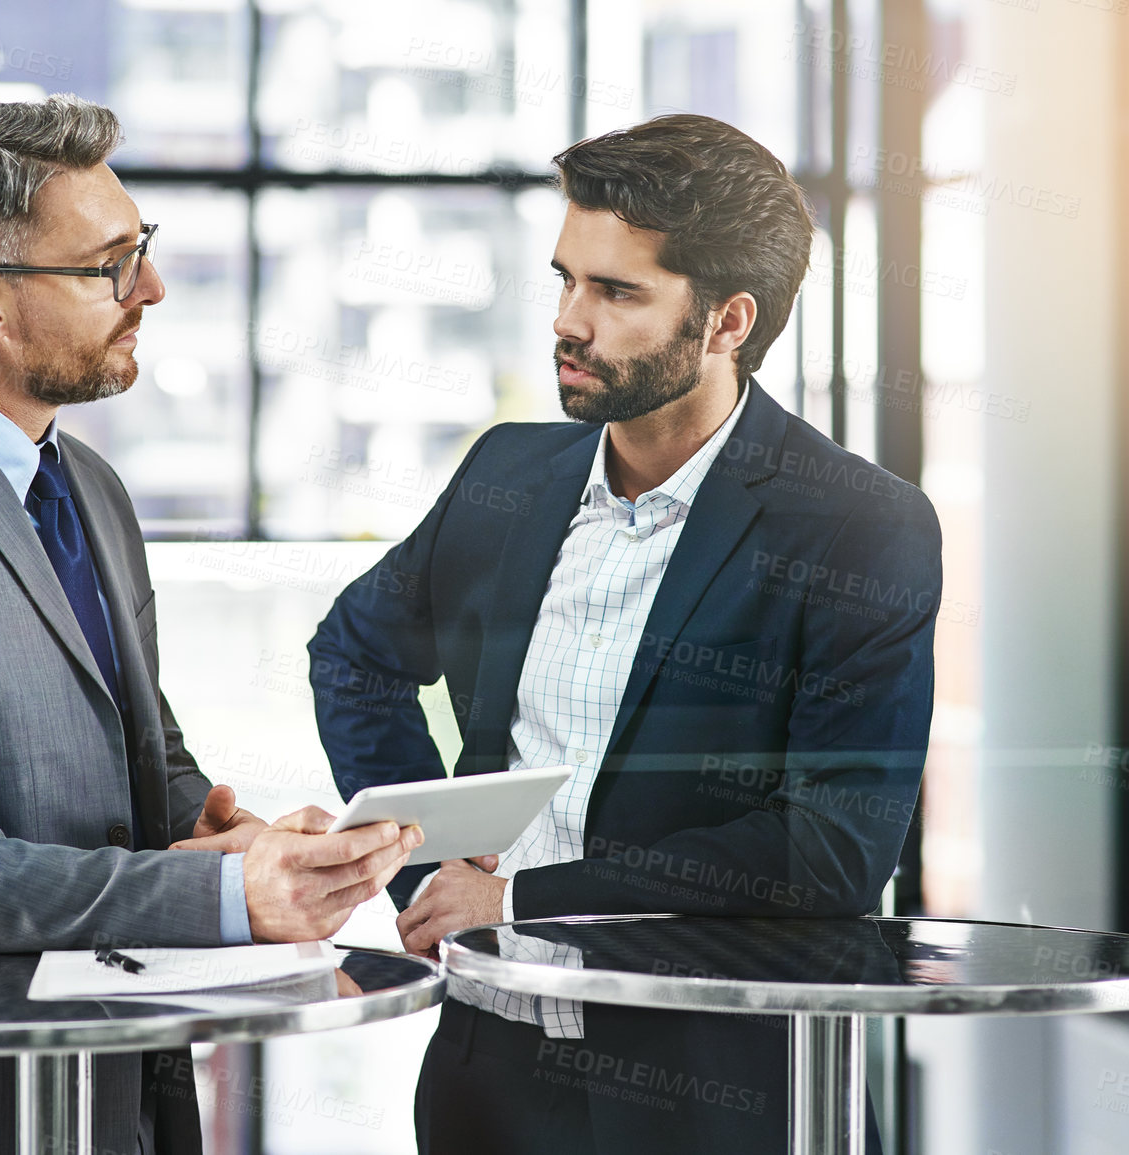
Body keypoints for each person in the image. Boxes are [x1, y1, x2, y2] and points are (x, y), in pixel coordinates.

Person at [0, 95, 419, 1155]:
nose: (147, 289)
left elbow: (145, 754)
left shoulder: (89, 485)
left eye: (140, 250)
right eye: (106, 266)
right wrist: (223, 893)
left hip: (117, 1093)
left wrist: (224, 832)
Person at [307, 114, 940, 1154]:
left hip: (717, 1086)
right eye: (566, 280)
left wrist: (525, 899)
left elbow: (831, 846)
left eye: (616, 293)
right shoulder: (507, 475)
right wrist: (428, 870)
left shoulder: (858, 524)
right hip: (491, 1070)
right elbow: (356, 655)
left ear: (728, 323)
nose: (569, 320)